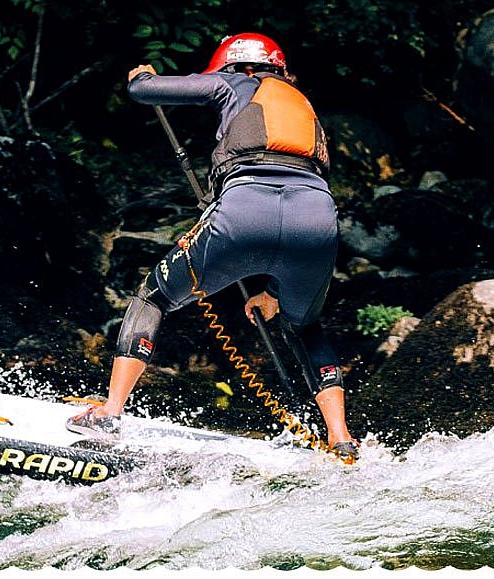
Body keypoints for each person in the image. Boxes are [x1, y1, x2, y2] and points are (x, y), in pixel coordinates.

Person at [68, 32, 359, 459]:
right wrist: (273, 293)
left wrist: (141, 77)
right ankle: (341, 439)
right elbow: (288, 209)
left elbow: (145, 91)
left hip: (244, 211)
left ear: (232, 63)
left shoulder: (233, 83)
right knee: (306, 327)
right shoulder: (302, 105)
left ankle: (110, 413)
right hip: (316, 220)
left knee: (153, 296)